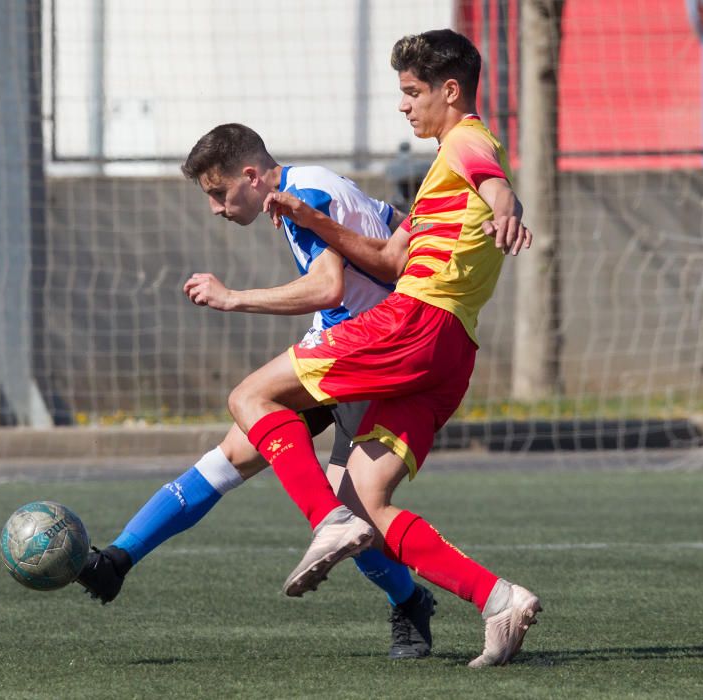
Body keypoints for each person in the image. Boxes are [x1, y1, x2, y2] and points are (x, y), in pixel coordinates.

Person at [226, 29, 538, 668]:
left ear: (450, 92)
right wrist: (311, 220)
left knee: (250, 396)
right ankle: (498, 599)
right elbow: (388, 257)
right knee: (366, 496)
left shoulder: (466, 141)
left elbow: (494, 181)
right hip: (452, 350)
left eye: (412, 91)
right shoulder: (438, 176)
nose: (404, 105)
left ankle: (324, 522)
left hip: (415, 324)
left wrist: (506, 206)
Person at [76, 123, 437, 660]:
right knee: (232, 455)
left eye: (218, 194)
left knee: (349, 513)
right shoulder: (314, 187)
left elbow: (328, 285)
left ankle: (408, 600)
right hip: (339, 345)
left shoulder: (304, 194)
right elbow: (389, 231)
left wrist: (233, 297)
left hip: (368, 358)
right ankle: (118, 562)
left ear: (251, 176)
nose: (216, 209)